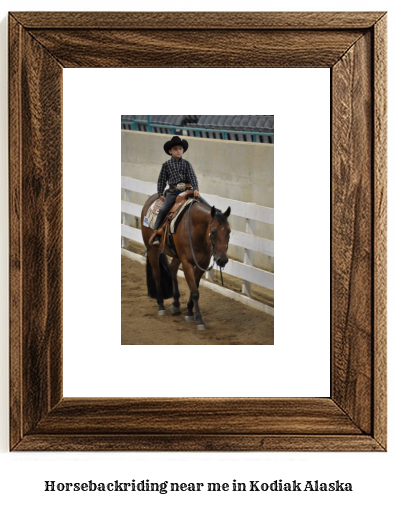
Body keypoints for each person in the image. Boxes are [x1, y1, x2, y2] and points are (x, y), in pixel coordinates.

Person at [150, 135, 210, 245]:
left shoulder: (187, 164)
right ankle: (156, 233)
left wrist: (196, 189)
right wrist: (160, 193)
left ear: (183, 150)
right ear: (170, 151)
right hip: (173, 192)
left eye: (180, 149)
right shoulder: (166, 165)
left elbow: (192, 177)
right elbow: (162, 180)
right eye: (175, 149)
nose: (178, 151)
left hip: (187, 191)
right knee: (163, 210)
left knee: (207, 206)